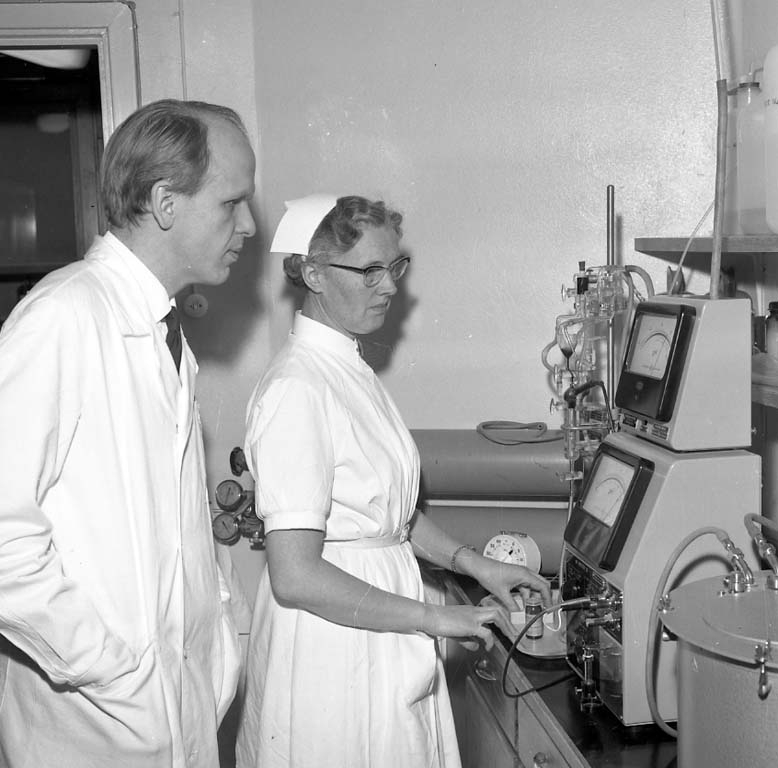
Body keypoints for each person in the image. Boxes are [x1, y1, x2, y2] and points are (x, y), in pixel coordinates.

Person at [235, 194, 551, 768]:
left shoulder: (348, 368)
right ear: (314, 274)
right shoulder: (297, 388)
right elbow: (296, 575)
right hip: (332, 640)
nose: (389, 287)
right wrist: (435, 617)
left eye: (395, 267)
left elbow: (391, 517)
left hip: (378, 615)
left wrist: (474, 565)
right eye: (370, 270)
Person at [0, 99, 256, 768]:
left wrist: (220, 629)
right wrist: (107, 666)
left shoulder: (164, 332)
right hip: (97, 726)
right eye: (232, 203)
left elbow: (175, 528)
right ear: (166, 202)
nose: (249, 225)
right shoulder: (62, 317)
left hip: (179, 712)